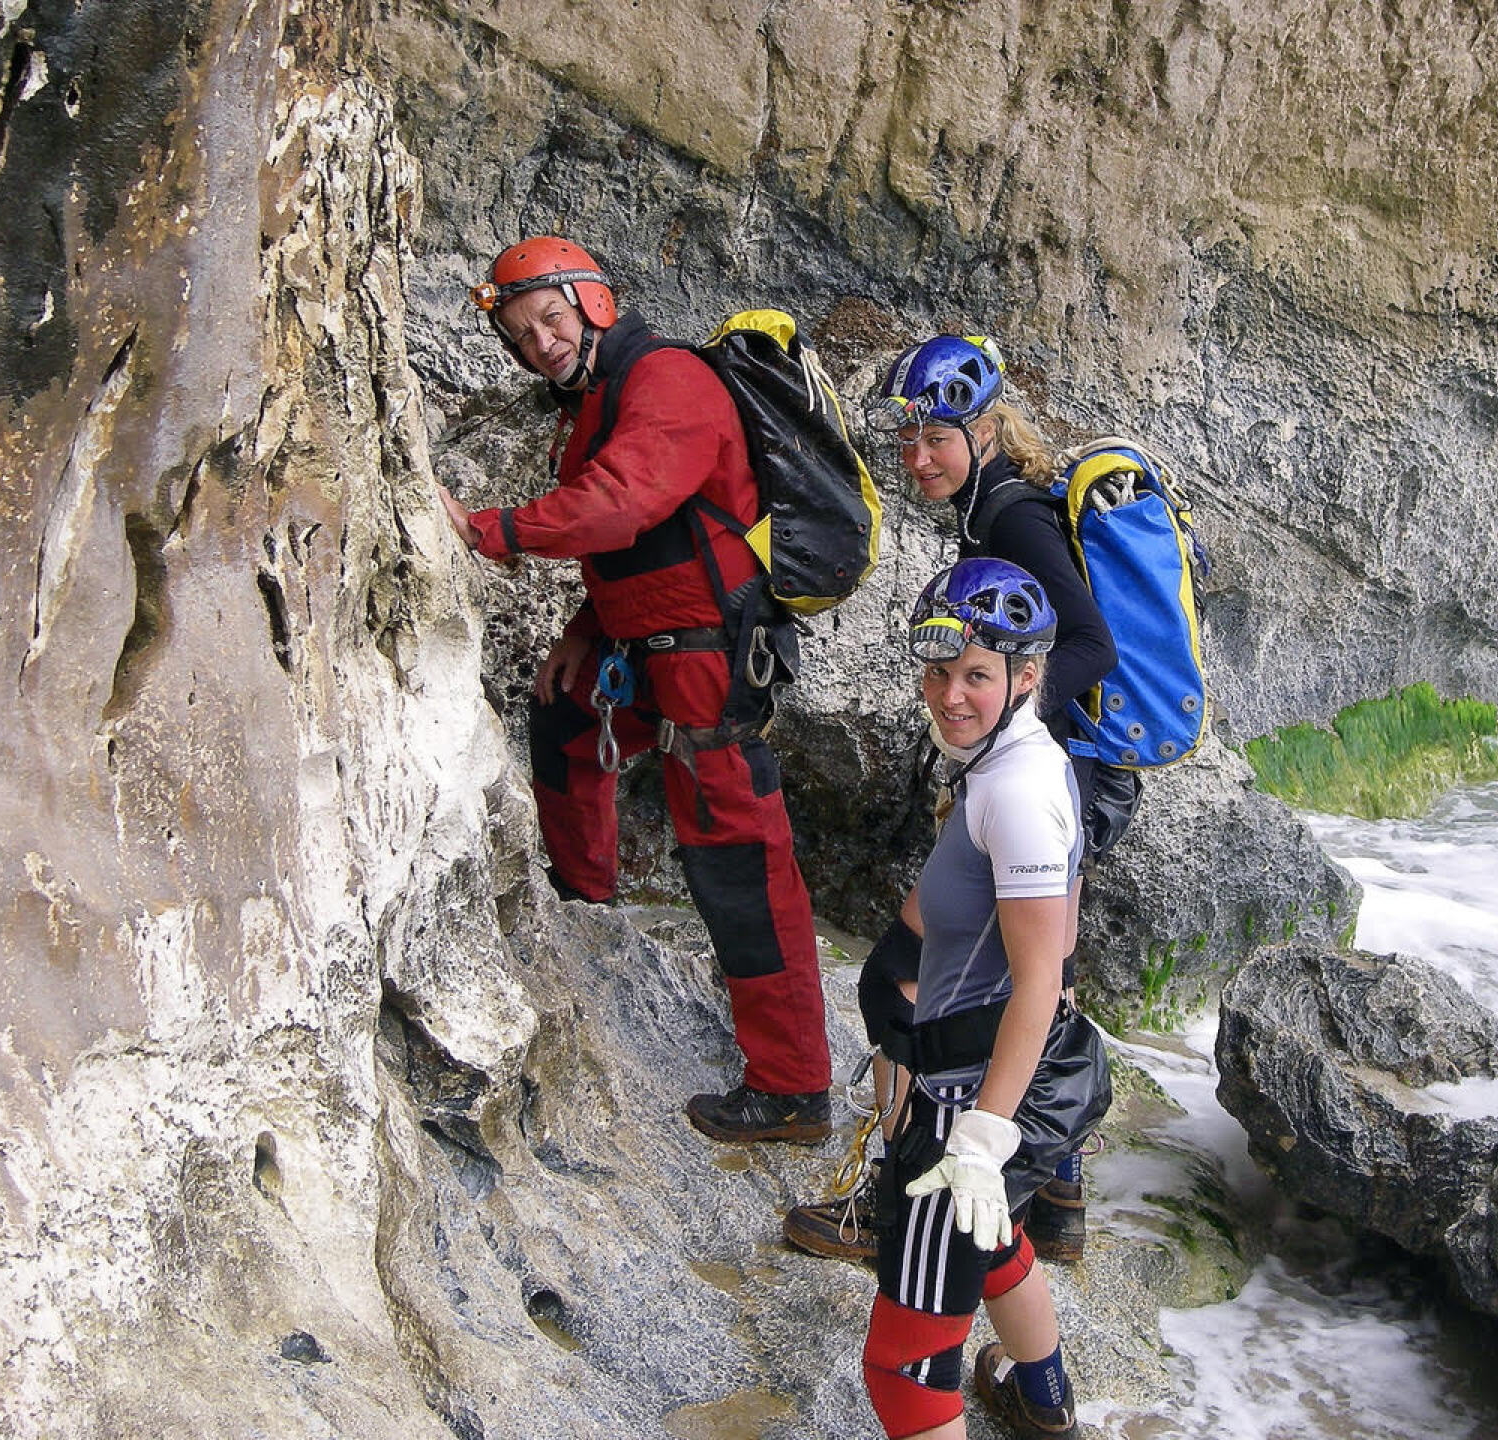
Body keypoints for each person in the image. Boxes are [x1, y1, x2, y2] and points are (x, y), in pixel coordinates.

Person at [436, 235, 832, 1142]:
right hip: (648, 647)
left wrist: (488, 530)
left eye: (550, 318)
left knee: (736, 859)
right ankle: (588, 916)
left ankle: (795, 1088)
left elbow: (622, 502)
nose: (539, 343)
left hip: (708, 659)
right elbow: (637, 541)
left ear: (594, 302)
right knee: (563, 718)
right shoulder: (597, 401)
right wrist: (586, 631)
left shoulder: (668, 381)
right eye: (520, 333)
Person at [785, 336, 1115, 1260]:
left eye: (937, 436)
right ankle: (1056, 1196)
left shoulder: (1009, 520)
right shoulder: (995, 503)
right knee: (1032, 977)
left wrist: (995, 716)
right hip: (1063, 776)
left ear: (983, 427)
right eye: (908, 440)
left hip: (1050, 778)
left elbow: (1091, 646)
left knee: (938, 989)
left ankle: (897, 1199)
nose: (918, 457)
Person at [861, 558, 1088, 1440]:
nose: (950, 696)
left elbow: (1042, 972)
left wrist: (983, 1141)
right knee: (993, 1247)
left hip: (965, 1100)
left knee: (903, 1378)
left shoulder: (1020, 791)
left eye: (978, 676)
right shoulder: (1009, 759)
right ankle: (1044, 1404)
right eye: (939, 670)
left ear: (1026, 677)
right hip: (978, 1067)